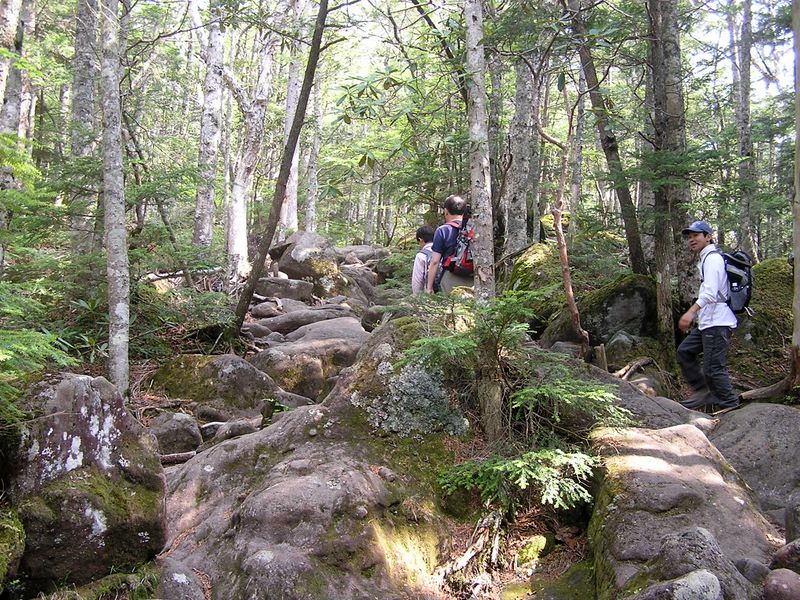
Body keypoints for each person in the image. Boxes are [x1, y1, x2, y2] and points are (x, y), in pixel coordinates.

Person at [677, 220, 739, 411]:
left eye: (696, 235)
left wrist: (690, 312)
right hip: (708, 322)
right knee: (685, 351)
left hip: (718, 322)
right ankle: (704, 393)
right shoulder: (706, 259)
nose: (691, 240)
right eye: (689, 237)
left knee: (713, 368)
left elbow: (711, 293)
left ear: (708, 237)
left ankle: (729, 403)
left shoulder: (712, 259)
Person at [425, 194, 474, 294]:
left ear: (446, 211)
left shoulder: (442, 230)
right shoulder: (474, 228)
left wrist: (429, 287)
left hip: (451, 277)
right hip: (473, 278)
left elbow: (435, 261)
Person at [411, 225, 434, 294]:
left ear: (421, 239)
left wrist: (417, 297)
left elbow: (417, 280)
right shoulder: (442, 251)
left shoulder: (421, 255)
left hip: (430, 294)